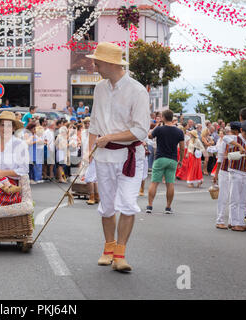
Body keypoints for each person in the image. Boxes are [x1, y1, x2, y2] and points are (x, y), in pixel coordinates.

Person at [86, 42, 150, 272]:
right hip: (103, 155)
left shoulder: (137, 90)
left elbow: (141, 130)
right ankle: (108, 248)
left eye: (97, 62)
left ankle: (120, 254)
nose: (94, 66)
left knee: (128, 204)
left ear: (111, 63)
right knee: (107, 206)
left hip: (129, 157)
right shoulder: (99, 88)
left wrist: (110, 137)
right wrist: (89, 153)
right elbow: (94, 123)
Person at [146, 110, 185, 214]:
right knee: (170, 183)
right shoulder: (179, 131)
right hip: (172, 159)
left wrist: (157, 125)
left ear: (163, 117)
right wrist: (181, 160)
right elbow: (182, 148)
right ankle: (168, 207)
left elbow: (149, 136)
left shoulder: (159, 129)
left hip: (160, 157)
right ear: (172, 118)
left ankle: (149, 206)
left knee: (154, 182)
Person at [225, 120, 246, 232]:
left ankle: (240, 222)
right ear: (241, 130)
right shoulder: (235, 138)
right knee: (234, 198)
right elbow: (225, 138)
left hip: (245, 172)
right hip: (235, 171)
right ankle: (234, 223)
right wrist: (238, 145)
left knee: (243, 199)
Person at [213, 122, 241, 229]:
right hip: (236, 170)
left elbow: (220, 157)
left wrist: (216, 173)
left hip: (225, 169)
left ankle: (220, 220)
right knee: (234, 197)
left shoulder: (226, 139)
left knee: (223, 195)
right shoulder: (240, 140)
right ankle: (231, 220)